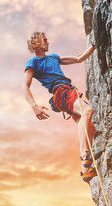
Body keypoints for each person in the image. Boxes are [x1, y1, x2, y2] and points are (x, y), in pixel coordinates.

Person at [22, 31, 101, 183]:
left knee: (88, 126)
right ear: (37, 43)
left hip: (68, 91)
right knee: (87, 111)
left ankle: (85, 170)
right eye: (44, 40)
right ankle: (85, 155)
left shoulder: (53, 58)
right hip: (60, 92)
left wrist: (94, 44)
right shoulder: (33, 63)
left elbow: (79, 58)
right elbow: (25, 86)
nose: (48, 42)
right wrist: (34, 106)